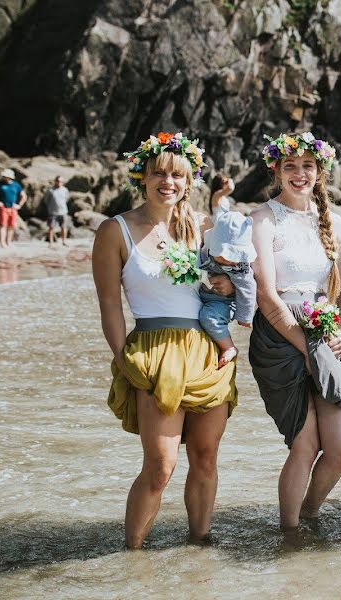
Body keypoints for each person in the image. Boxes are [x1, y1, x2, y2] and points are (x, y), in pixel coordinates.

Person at [92, 131, 237, 548]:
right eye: (159, 173)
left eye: (177, 176)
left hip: (207, 351)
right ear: (142, 176)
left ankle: (200, 546)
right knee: (160, 465)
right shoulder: (114, 231)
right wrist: (123, 359)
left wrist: (228, 288)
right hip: (154, 351)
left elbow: (240, 280)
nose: (168, 183)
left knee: (206, 459)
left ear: (189, 182)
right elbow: (109, 305)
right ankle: (132, 554)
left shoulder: (204, 228)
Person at [248, 132, 341, 530]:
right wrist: (307, 349)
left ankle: (311, 513)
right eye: (290, 166)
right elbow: (265, 294)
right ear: (276, 170)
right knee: (305, 443)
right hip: (280, 336)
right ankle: (290, 533)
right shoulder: (262, 218)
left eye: (307, 166)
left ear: (320, 171)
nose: (299, 174)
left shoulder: (336, 223)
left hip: (321, 331)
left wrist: (336, 334)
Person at [198, 210, 257, 369]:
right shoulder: (204, 249)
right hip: (202, 295)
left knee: (209, 317)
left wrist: (244, 317)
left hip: (225, 303)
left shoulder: (239, 265)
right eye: (225, 255)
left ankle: (229, 347)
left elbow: (248, 288)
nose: (230, 260)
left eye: (235, 255)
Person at [0, 168, 26, 248]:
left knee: (11, 226)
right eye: (4, 176)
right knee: (3, 225)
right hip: (3, 207)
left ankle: (9, 242)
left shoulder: (16, 185)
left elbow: (24, 196)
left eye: (6, 176)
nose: (4, 178)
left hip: (13, 208)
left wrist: (19, 205)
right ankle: (2, 243)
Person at [43, 175, 71, 247]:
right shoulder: (50, 190)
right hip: (53, 212)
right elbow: (46, 200)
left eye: (61, 181)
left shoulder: (65, 190)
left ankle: (64, 241)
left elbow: (67, 199)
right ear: (55, 181)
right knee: (51, 227)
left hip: (63, 211)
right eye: (58, 181)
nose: (59, 183)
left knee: (64, 227)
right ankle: (51, 242)